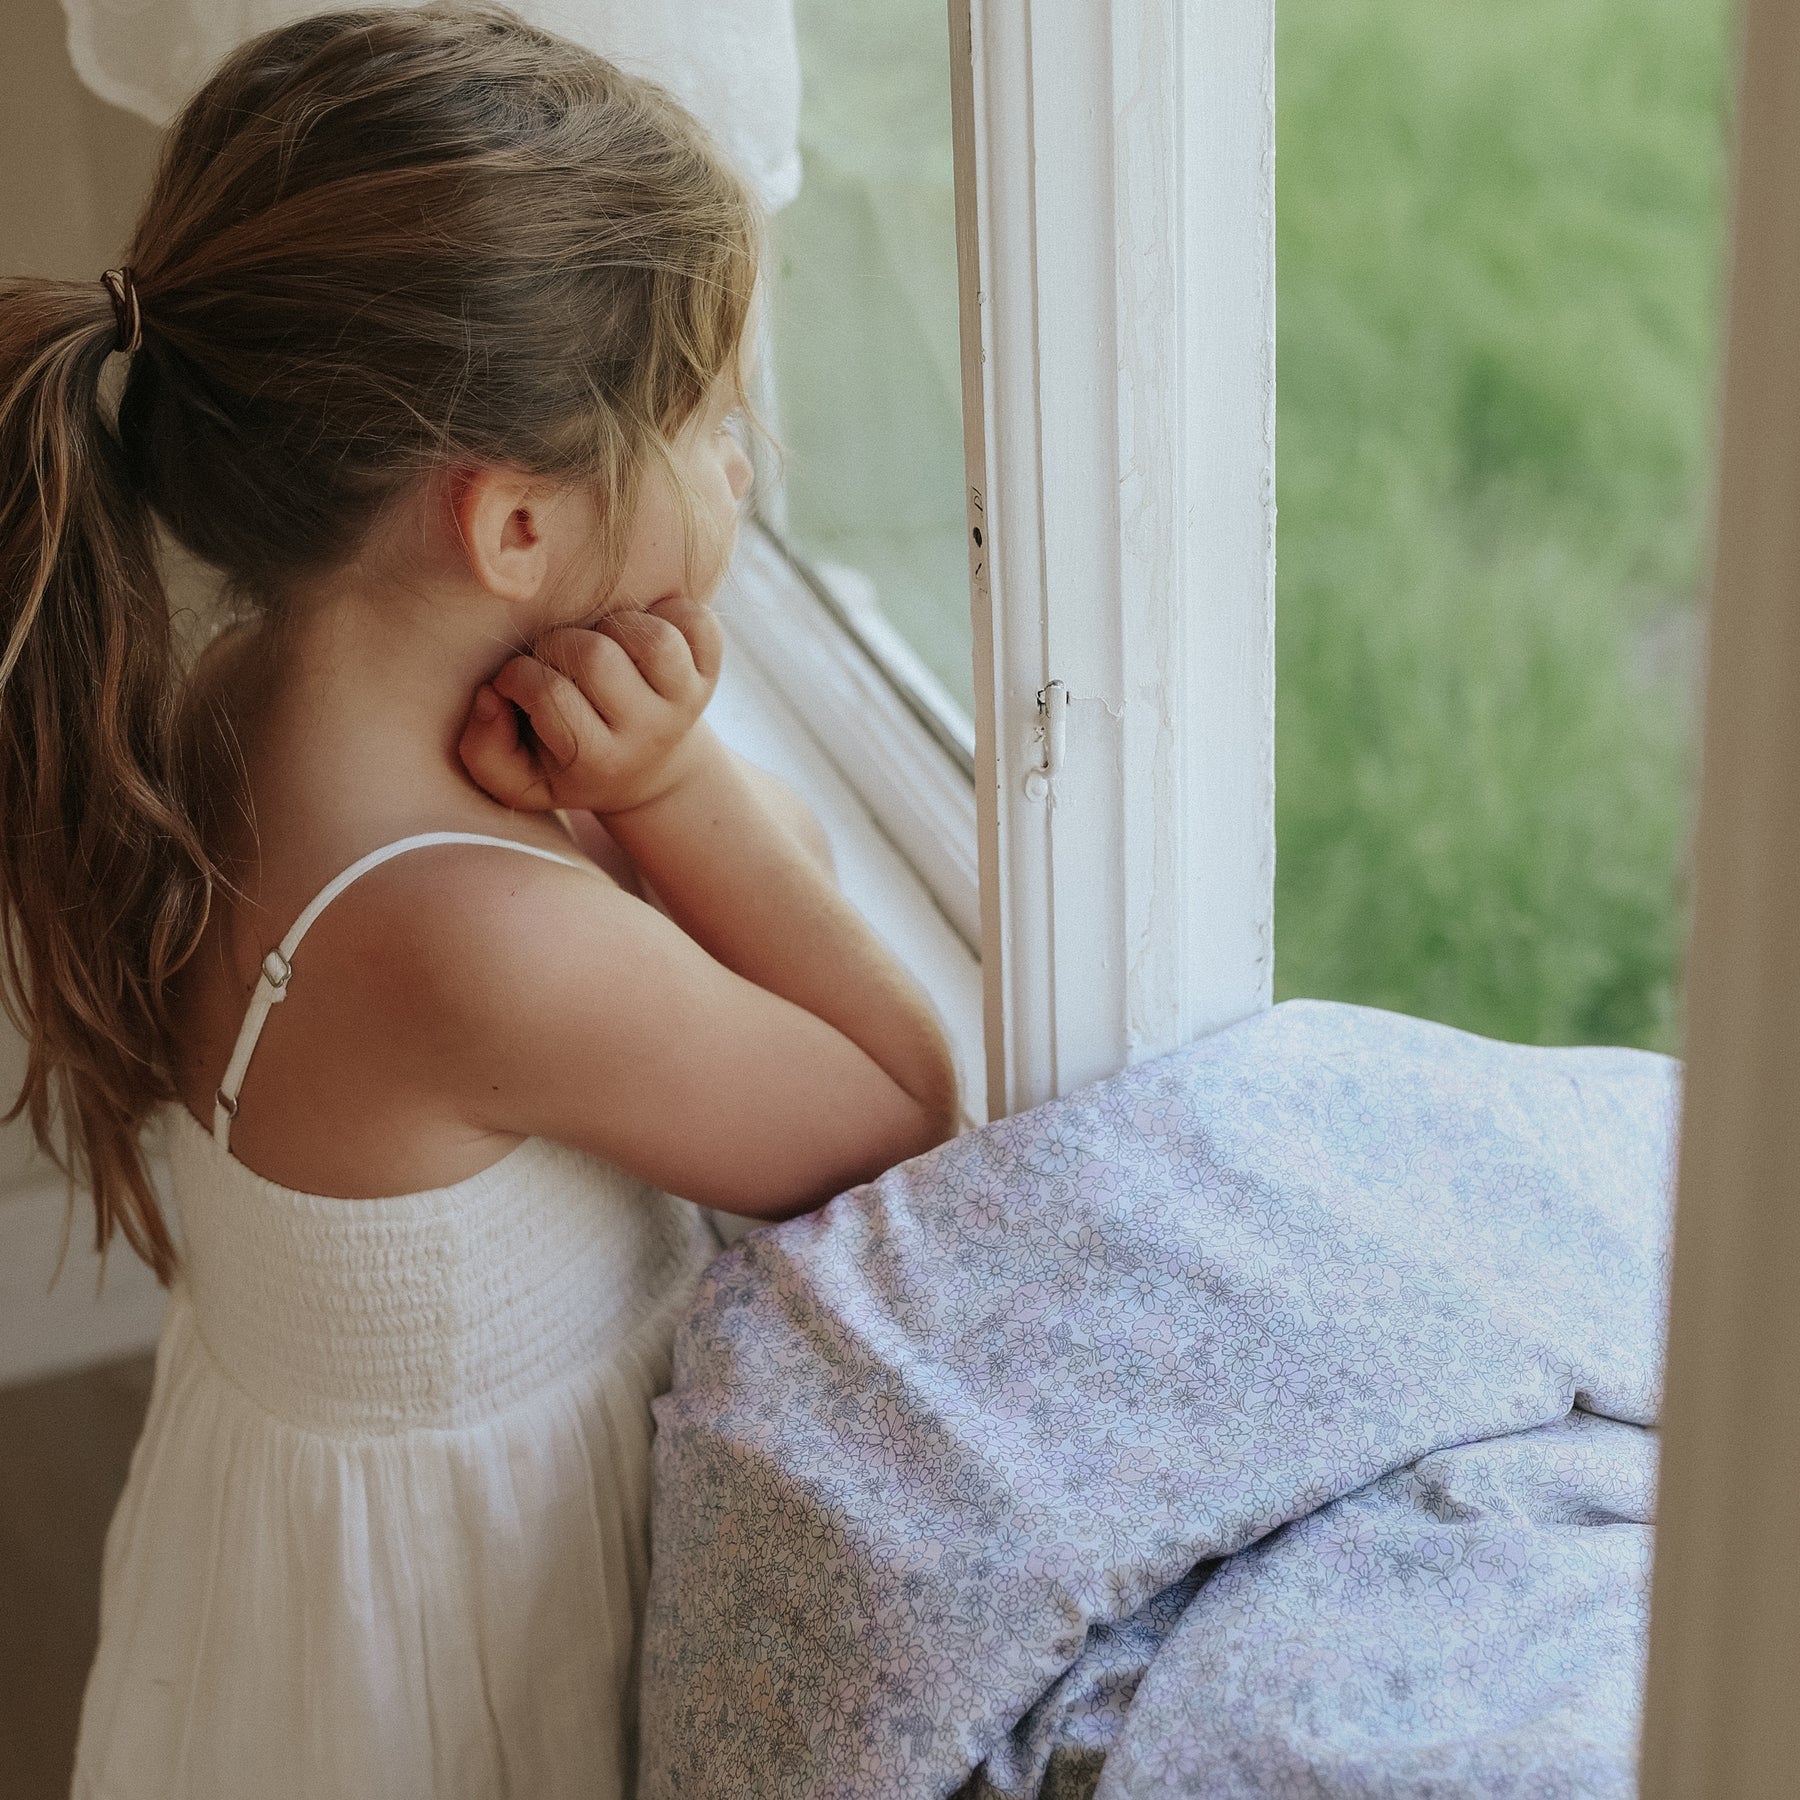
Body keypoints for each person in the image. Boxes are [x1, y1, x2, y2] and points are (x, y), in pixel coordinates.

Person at [0, 7, 960, 1795]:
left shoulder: (229, 710)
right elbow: (901, 1115)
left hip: (293, 1563)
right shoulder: (473, 940)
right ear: (513, 532)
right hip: (459, 1654)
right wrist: (673, 791)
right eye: (708, 422)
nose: (742, 468)